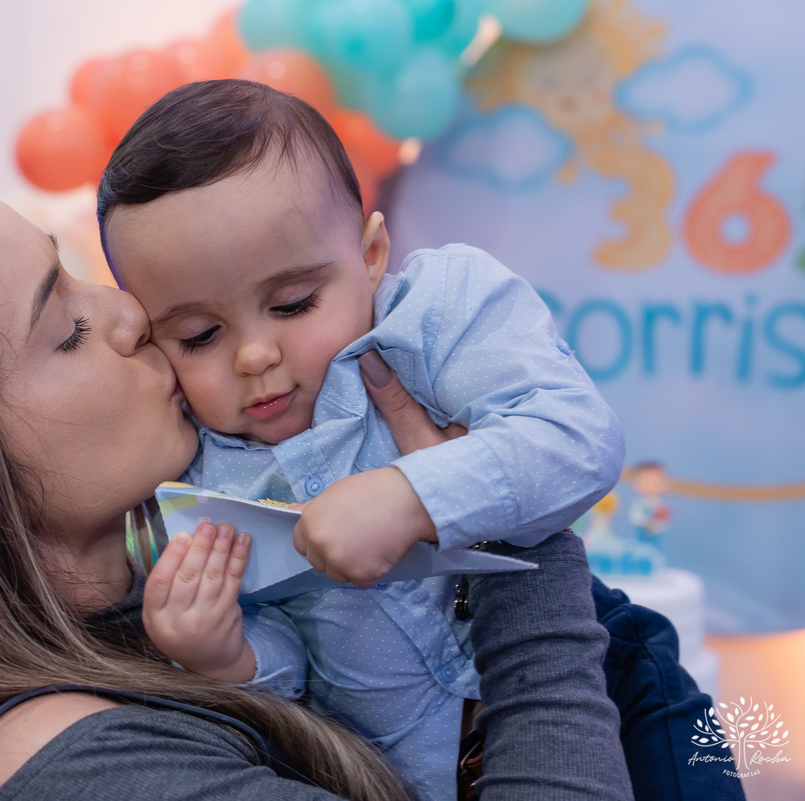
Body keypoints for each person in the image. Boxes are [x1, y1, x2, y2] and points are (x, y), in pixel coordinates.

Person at [0, 159, 633, 801]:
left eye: (82, 276)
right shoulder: (96, 776)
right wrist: (509, 528)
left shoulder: (153, 613)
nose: (131, 314)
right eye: (69, 327)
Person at [97, 80, 624, 801]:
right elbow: (299, 665)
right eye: (199, 335)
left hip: (606, 697)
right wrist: (230, 655)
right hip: (406, 775)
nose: (254, 355)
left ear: (372, 253)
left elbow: (577, 438)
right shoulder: (204, 468)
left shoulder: (438, 315)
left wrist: (413, 495)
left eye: (293, 304)